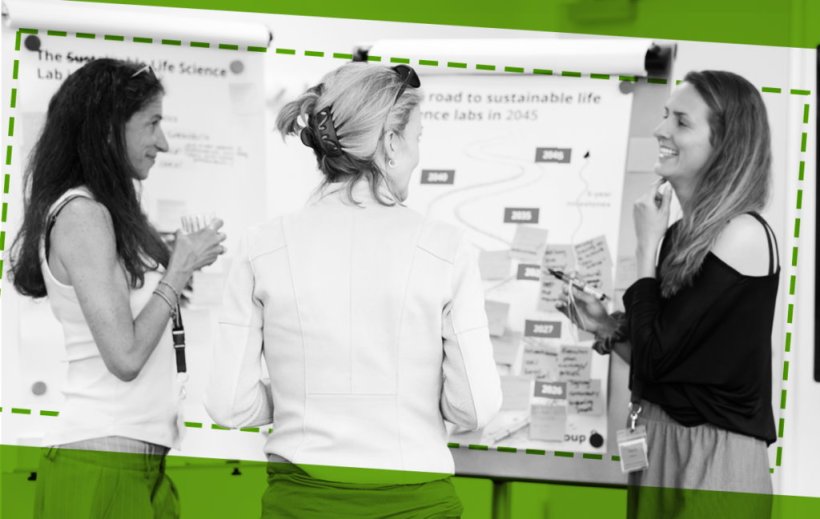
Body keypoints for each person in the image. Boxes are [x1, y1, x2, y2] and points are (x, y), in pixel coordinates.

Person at [205, 62, 502, 518]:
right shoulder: (446, 248)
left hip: (299, 504)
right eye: (417, 138)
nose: (419, 155)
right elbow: (476, 408)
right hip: (417, 505)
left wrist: (301, 397)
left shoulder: (261, 247)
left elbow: (228, 404)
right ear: (390, 143)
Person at [10, 58, 226, 518]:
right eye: (152, 123)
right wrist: (180, 268)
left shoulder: (108, 212)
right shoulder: (83, 215)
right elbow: (124, 357)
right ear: (110, 129)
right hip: (101, 458)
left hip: (137, 459)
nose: (162, 143)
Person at [557, 70, 778, 518]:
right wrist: (604, 327)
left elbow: (657, 355)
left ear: (725, 144)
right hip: (660, 443)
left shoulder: (742, 235)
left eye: (681, 122)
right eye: (664, 117)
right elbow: (667, 365)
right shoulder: (684, 234)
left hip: (712, 458)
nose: (661, 131)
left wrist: (646, 250)